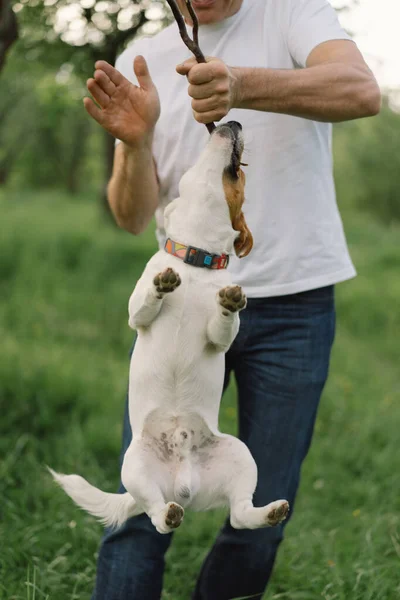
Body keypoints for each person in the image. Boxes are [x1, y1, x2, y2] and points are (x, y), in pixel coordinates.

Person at [84, 1, 381, 598]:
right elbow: (132, 215)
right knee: (142, 513)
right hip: (180, 308)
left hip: (294, 305)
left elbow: (361, 91)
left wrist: (241, 84)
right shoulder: (146, 59)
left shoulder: (292, 15)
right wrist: (135, 145)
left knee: (260, 517)